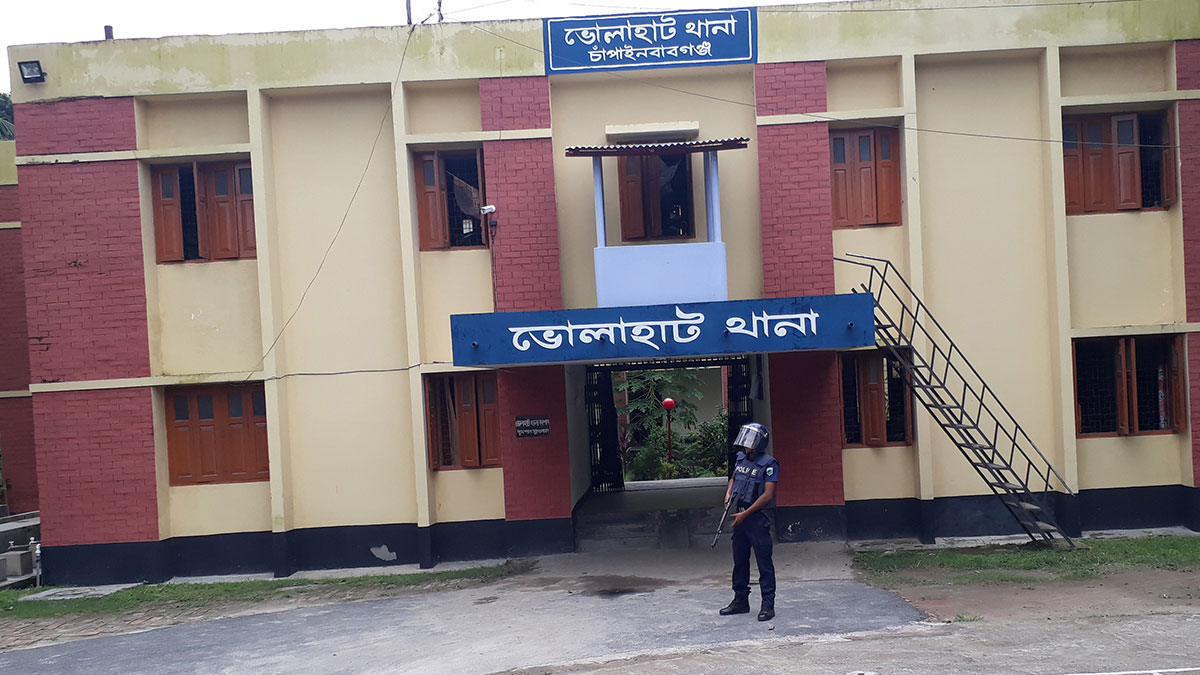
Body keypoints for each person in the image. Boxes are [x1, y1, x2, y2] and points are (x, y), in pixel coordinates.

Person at [718, 422, 779, 622]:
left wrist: (746, 514)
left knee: (764, 563)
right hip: (740, 517)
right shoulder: (741, 458)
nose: (746, 444)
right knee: (740, 561)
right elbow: (734, 478)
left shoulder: (769, 464)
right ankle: (740, 600)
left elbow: (768, 495)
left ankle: (767, 605)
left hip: (757, 519)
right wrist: (728, 493)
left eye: (751, 441)